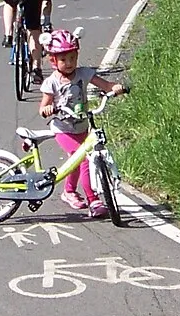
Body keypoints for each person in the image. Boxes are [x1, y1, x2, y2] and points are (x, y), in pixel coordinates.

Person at [38, 28, 126, 216]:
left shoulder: (84, 73)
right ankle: (92, 199)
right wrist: (47, 109)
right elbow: (43, 107)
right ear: (53, 60)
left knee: (79, 160)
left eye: (72, 58)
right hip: (63, 128)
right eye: (63, 59)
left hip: (82, 125)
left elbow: (104, 85)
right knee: (83, 158)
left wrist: (115, 88)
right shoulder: (52, 82)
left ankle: (69, 191)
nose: (69, 63)